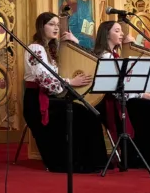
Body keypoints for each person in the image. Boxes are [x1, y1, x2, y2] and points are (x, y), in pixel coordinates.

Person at [23, 12, 106, 173]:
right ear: (42, 27)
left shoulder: (54, 49)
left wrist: (74, 42)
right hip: (37, 101)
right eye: (51, 24)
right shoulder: (35, 48)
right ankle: (75, 162)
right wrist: (70, 82)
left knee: (88, 111)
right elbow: (45, 79)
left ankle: (92, 162)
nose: (56, 28)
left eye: (57, 25)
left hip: (54, 97)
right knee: (81, 112)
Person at [93, 21, 150, 170]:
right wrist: (149, 96)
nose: (122, 34)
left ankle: (139, 155)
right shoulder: (106, 56)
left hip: (118, 98)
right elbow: (118, 88)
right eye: (117, 31)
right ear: (106, 34)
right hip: (108, 101)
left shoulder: (115, 54)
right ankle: (136, 156)